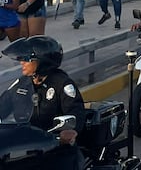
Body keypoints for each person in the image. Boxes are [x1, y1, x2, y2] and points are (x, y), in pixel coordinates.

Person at [0, 36, 85, 169]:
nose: (21, 62)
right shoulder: (22, 84)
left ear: (42, 61)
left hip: (55, 148)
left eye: (27, 59)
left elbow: (76, 112)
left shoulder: (61, 83)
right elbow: (3, 105)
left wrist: (68, 131)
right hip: (27, 146)